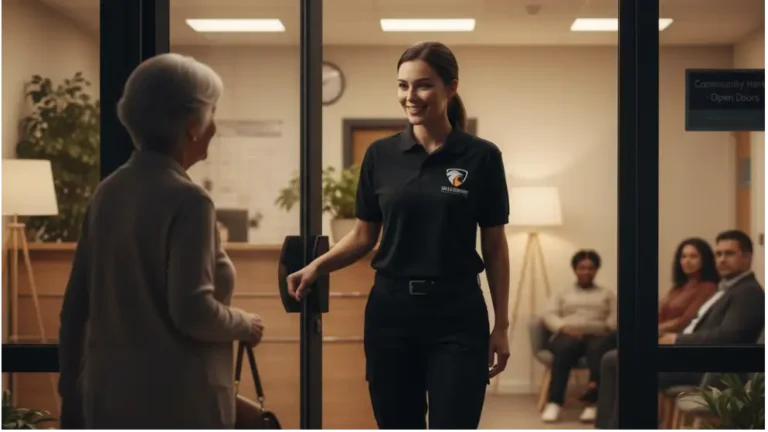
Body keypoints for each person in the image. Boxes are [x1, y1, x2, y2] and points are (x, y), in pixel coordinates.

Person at [286, 41, 511, 430]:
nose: (411, 96)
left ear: (451, 87)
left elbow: (494, 246)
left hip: (457, 314)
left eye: (423, 85)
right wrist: (317, 267)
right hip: (391, 313)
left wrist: (502, 325)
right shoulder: (380, 155)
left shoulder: (481, 156)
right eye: (403, 85)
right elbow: (363, 236)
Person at [58, 53, 264, 432]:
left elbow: (75, 306)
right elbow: (193, 310)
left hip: (108, 402)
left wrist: (70, 394)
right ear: (192, 126)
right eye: (212, 113)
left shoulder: (109, 191)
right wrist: (244, 323)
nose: (215, 126)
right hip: (177, 406)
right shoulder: (190, 200)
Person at [595, 229, 767, 430]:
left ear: (747, 257)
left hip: (706, 365)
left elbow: (728, 337)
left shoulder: (748, 292)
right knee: (616, 358)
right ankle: (607, 427)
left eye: (729, 253)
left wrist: (677, 340)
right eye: (718, 254)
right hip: (690, 355)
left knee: (625, 363)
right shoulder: (727, 288)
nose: (721, 260)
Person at [540, 249, 618, 423]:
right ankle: (554, 403)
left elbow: (615, 317)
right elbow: (549, 315)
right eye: (582, 268)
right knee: (565, 348)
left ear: (596, 270)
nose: (586, 272)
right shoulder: (563, 292)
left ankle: (592, 403)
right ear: (575, 269)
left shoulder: (606, 293)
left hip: (597, 335)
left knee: (599, 348)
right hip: (569, 334)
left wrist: (605, 327)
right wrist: (564, 327)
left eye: (590, 268)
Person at [657, 238, 718, 335]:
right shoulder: (678, 286)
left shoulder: (708, 287)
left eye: (693, 256)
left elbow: (686, 320)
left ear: (705, 259)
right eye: (683, 256)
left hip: (679, 338)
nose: (687, 261)